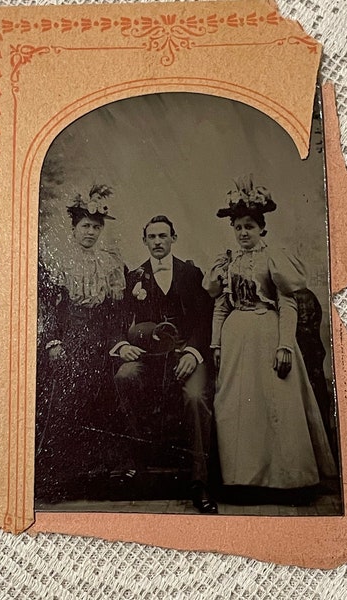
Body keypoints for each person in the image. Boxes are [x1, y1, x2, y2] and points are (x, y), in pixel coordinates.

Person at [203, 176, 336, 491]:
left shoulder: (273, 257)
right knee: (235, 406)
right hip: (235, 339)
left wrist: (285, 346)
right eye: (238, 228)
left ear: (262, 228)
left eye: (249, 226)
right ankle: (240, 479)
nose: (244, 233)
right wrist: (216, 342)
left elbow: (287, 304)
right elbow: (220, 305)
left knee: (274, 403)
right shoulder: (229, 261)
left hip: (267, 334)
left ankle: (283, 481)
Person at [112, 215, 218, 514]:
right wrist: (124, 345)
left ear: (173, 238)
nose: (158, 242)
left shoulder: (191, 273)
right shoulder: (135, 277)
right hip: (150, 358)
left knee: (196, 398)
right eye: (152, 237)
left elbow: (203, 320)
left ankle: (200, 482)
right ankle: (136, 461)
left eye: (163, 236)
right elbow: (121, 320)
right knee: (125, 376)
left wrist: (193, 353)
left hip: (186, 356)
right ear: (144, 241)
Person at [35, 185, 126, 502]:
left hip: (98, 339)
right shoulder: (62, 262)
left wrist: (112, 343)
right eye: (85, 226)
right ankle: (59, 478)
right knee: (65, 405)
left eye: (96, 227)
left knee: (100, 405)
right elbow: (51, 307)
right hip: (70, 336)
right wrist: (53, 342)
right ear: (74, 228)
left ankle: (97, 479)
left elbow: (114, 310)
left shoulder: (108, 263)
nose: (91, 232)